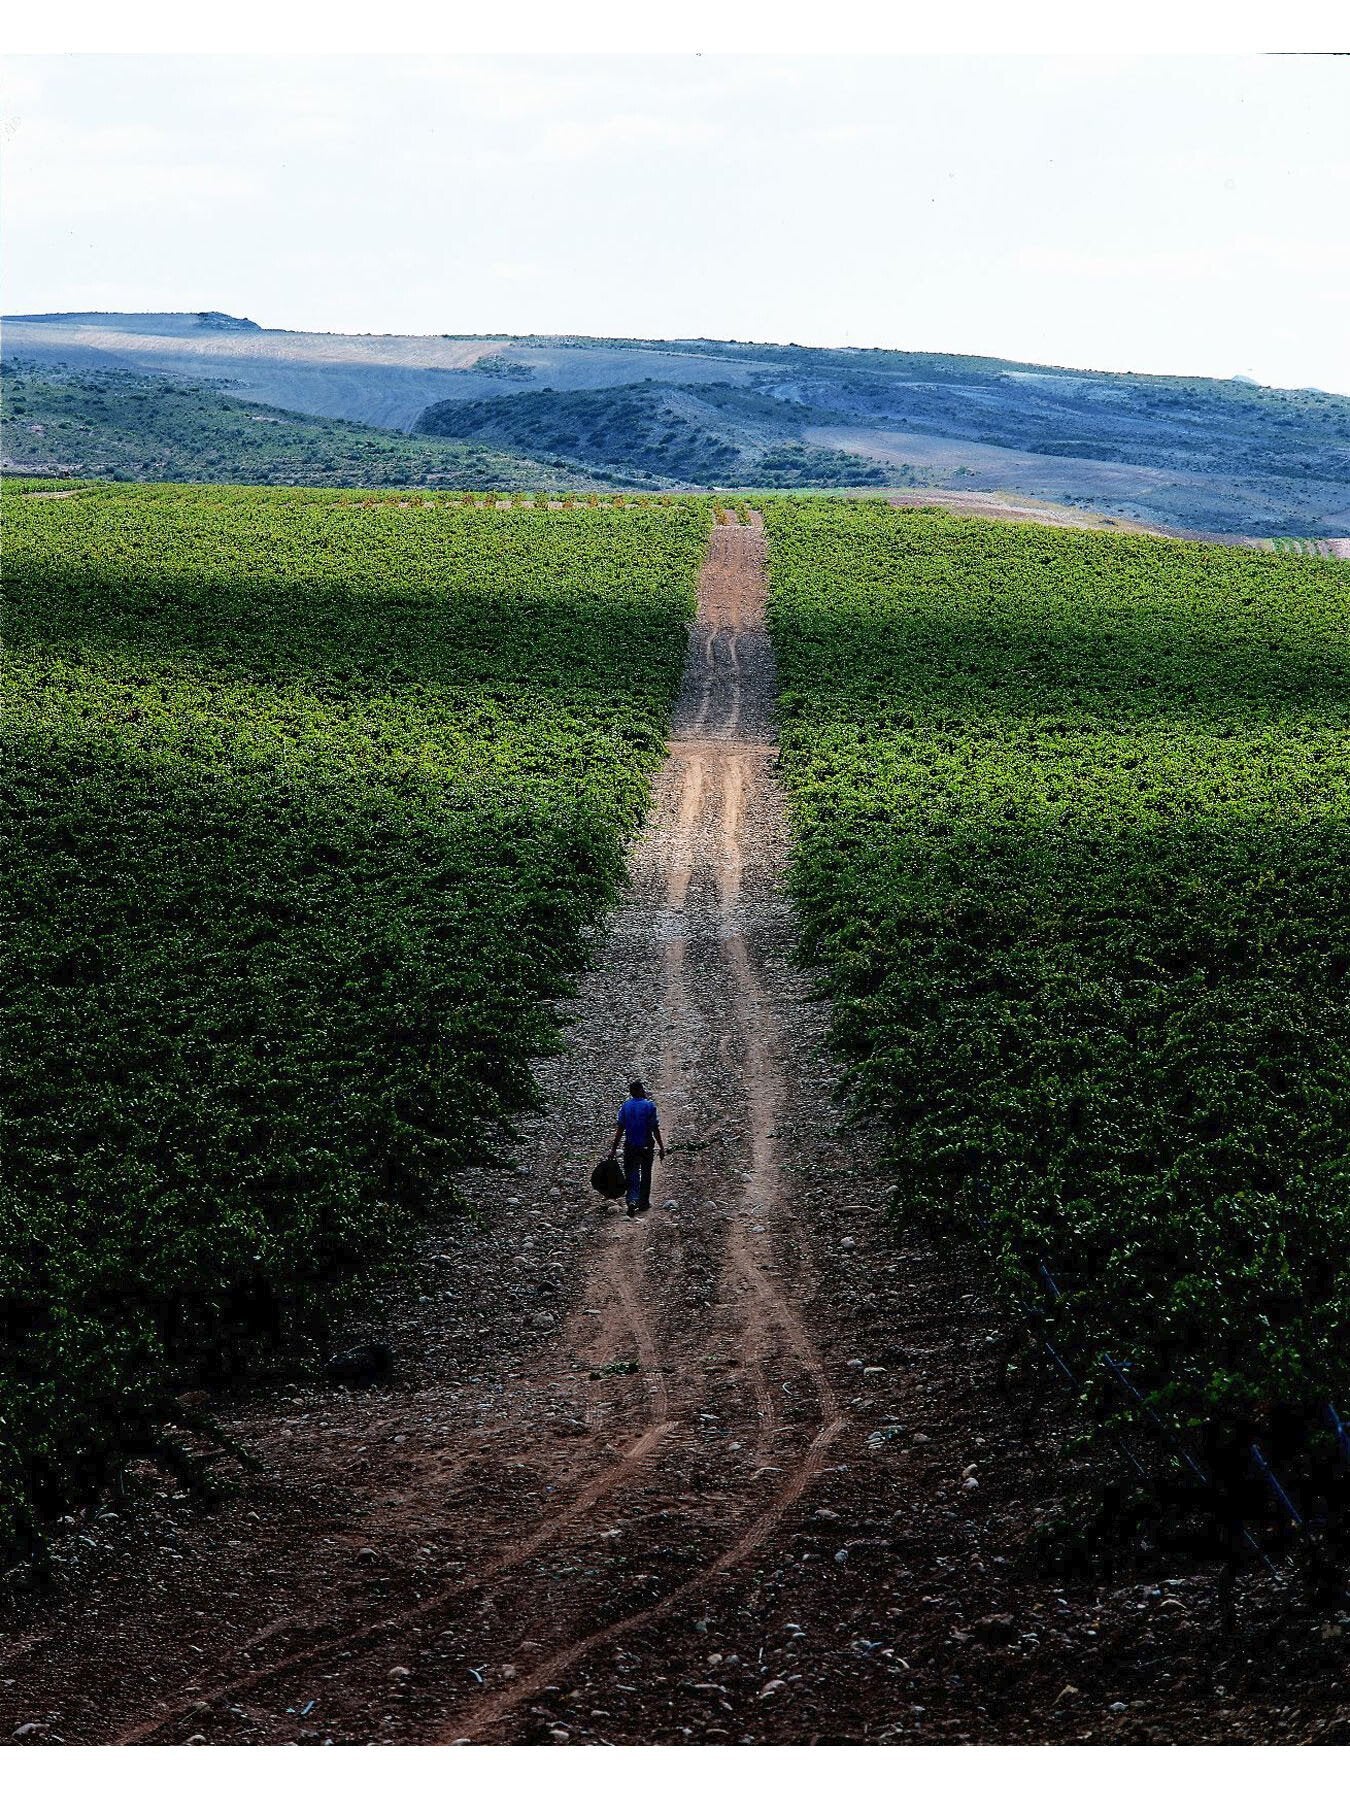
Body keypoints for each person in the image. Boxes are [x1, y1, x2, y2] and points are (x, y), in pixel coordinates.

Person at [610, 1078, 665, 1217]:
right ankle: (643, 1202)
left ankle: (632, 1200)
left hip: (630, 1145)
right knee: (646, 1174)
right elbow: (655, 1128)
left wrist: (613, 1149)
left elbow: (620, 1129)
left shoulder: (625, 1106)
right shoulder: (649, 1106)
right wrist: (662, 1147)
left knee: (631, 1173)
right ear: (641, 1090)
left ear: (631, 1092)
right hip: (646, 1145)